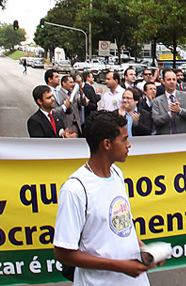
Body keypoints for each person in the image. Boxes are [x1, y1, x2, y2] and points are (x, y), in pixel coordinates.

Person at [54, 111, 157, 284]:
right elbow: (63, 253)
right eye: (124, 139)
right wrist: (120, 266)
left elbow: (123, 227)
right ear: (107, 144)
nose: (129, 145)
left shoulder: (117, 173)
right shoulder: (75, 189)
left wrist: (143, 250)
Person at [151, 69, 186, 134]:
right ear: (163, 81)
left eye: (174, 79)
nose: (172, 82)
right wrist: (169, 114)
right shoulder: (157, 101)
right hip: (165, 138)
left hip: (183, 136)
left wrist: (180, 111)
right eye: (169, 80)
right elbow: (156, 120)